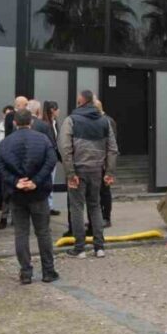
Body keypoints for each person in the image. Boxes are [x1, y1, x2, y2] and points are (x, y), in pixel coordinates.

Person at [0, 109, 59, 284]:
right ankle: (48, 270)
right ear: (31, 121)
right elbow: (51, 161)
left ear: (15, 122)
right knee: (43, 232)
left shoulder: (6, 142)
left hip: (17, 194)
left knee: (21, 233)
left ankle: (25, 272)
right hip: (38, 193)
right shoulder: (43, 139)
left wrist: (15, 181)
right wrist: (36, 181)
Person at [60, 89, 118, 259]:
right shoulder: (104, 121)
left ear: (80, 102)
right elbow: (113, 149)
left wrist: (70, 173)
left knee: (77, 207)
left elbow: (65, 148)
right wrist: (109, 172)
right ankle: (99, 247)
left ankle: (79, 248)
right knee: (95, 206)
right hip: (97, 170)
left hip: (78, 169)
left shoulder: (71, 120)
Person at [93, 98, 117, 228]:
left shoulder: (107, 121)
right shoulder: (103, 120)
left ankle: (106, 218)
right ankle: (99, 217)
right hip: (99, 161)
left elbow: (111, 145)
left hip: (104, 162)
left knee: (104, 191)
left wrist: (109, 167)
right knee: (98, 191)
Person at [41, 100, 63, 217]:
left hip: (53, 157)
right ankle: (46, 207)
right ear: (52, 110)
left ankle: (49, 206)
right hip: (47, 158)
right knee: (47, 182)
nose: (59, 111)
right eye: (57, 109)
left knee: (51, 182)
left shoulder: (54, 123)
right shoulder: (46, 124)